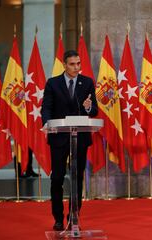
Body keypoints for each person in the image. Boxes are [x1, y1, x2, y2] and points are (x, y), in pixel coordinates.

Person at [41, 50, 98, 231]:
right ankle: (58, 218)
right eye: (72, 64)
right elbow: (47, 108)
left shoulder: (87, 82)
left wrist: (89, 108)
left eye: (78, 63)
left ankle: (74, 216)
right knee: (57, 178)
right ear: (64, 65)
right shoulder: (53, 83)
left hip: (79, 137)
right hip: (59, 136)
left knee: (77, 178)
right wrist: (46, 123)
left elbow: (94, 109)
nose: (76, 67)